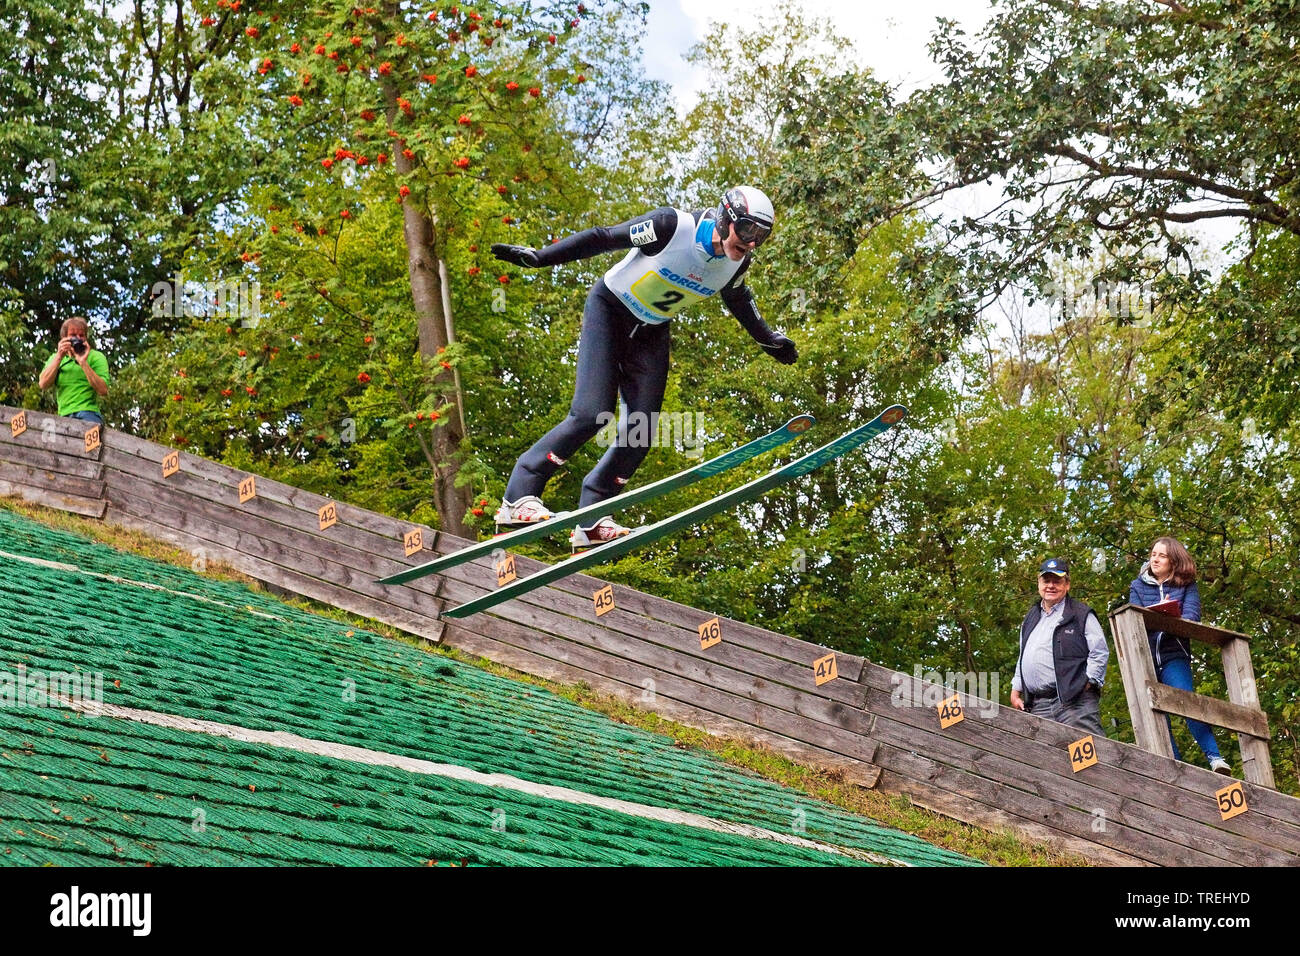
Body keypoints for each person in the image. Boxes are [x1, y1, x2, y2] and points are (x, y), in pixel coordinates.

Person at [490, 186, 796, 549]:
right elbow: (603, 238)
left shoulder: (737, 263)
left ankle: (591, 520)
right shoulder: (670, 226)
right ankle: (518, 495)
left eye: (761, 236)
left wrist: (767, 339)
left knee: (641, 430)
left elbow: (739, 300)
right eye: (747, 231)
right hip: (611, 311)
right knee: (592, 414)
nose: (751, 243)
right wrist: (541, 258)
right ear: (726, 217)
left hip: (651, 330)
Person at [1129, 537, 1231, 774]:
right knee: (1154, 709)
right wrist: (1156, 614)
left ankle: (1215, 757)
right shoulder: (1138, 585)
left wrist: (1168, 613)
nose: (1155, 559)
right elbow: (1134, 619)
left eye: (1161, 555)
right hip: (1145, 656)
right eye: (1153, 554)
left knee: (1186, 701)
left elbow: (1192, 617)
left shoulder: (1186, 585)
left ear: (1173, 560)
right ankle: (1173, 764)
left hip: (1174, 653)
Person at [1010, 558, 1109, 736]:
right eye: (1046, 580)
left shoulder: (1080, 614)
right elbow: (1022, 657)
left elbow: (1099, 652)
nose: (1051, 586)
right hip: (1038, 705)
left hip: (1074, 704)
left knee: (1089, 757)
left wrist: (1086, 683)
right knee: (1048, 760)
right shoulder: (1031, 618)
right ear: (1039, 583)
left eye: (1057, 581)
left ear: (1067, 584)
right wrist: (1015, 690)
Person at [37, 317, 111, 426]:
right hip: (64, 415)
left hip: (89, 413)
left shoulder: (96, 357)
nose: (78, 339)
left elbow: (103, 390)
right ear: (64, 338)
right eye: (73, 335)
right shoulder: (56, 358)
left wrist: (82, 361)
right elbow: (43, 384)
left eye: (81, 336)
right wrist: (59, 357)